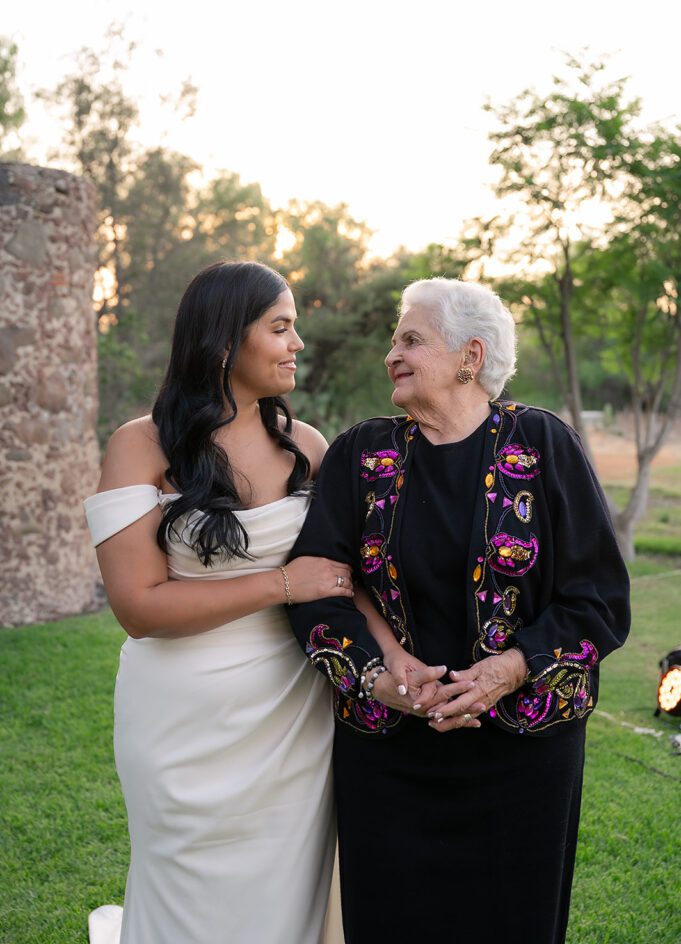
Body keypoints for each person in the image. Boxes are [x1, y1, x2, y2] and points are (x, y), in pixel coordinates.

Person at [287, 276, 631, 944]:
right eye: (394, 340)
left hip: (521, 757)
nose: (392, 353)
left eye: (410, 339)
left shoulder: (542, 445)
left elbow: (597, 601)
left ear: (470, 358)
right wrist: (375, 677)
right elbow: (317, 588)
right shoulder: (362, 453)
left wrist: (507, 669)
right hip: (388, 755)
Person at [83, 261, 352, 944]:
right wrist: (280, 585)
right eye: (281, 327)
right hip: (180, 714)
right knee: (185, 889)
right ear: (224, 342)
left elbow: (354, 576)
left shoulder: (309, 449)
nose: (297, 344)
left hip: (291, 713)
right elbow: (138, 609)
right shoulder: (140, 445)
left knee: (283, 889)